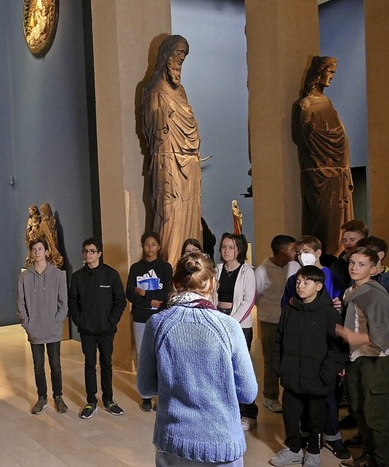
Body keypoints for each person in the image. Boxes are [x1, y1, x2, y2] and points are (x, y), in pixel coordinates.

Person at [137, 252, 257, 466]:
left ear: (174, 283)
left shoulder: (157, 324)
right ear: (212, 283)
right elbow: (248, 393)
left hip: (173, 441)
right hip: (221, 443)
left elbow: (146, 387)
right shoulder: (229, 327)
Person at [270, 266, 347, 467]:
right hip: (291, 375)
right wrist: (278, 367)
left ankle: (314, 452)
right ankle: (294, 449)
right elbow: (279, 340)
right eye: (298, 281)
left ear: (319, 286)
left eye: (306, 282)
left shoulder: (330, 314)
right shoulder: (289, 310)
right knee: (290, 415)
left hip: (317, 379)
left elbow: (338, 349)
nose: (300, 286)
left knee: (315, 419)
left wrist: (325, 375)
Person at [142, 35, 202, 264]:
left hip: (189, 162)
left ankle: (192, 266)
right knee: (169, 215)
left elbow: (189, 122)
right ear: (166, 54)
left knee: (190, 218)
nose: (180, 59)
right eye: (177, 53)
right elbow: (154, 131)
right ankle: (170, 266)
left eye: (184, 55)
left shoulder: (181, 91)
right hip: (167, 162)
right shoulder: (155, 88)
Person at [336, 247, 389, 467]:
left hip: (375, 361)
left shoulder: (375, 293)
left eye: (361, 264)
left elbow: (386, 331)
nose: (354, 268)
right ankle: (367, 457)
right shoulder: (350, 291)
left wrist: (355, 337)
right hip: (355, 360)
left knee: (376, 416)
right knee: (359, 411)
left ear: (373, 268)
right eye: (352, 263)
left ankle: (382, 461)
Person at [294, 56, 354, 257]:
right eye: (329, 71)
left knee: (340, 227)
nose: (331, 77)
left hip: (338, 175)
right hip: (318, 177)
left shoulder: (328, 104)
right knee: (323, 223)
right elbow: (300, 139)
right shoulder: (304, 105)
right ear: (318, 73)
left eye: (334, 73)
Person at [69, 237, 126, 419]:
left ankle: (108, 399)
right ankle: (91, 401)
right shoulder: (78, 277)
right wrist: (79, 321)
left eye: (92, 251)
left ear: (99, 253)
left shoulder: (111, 274)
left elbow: (120, 301)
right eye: (85, 251)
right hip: (87, 331)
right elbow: (73, 302)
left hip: (106, 330)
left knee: (106, 364)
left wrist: (112, 321)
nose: (88, 254)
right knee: (89, 364)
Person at [17, 237, 69, 415]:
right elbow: (20, 304)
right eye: (34, 249)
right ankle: (42, 398)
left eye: (40, 248)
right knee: (38, 365)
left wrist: (57, 321)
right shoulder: (24, 277)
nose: (37, 252)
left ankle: (58, 397)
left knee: (55, 365)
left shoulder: (58, 275)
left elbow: (64, 303)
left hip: (53, 329)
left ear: (46, 251)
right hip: (35, 329)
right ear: (31, 253)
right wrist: (27, 324)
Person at [214, 233, 258, 430]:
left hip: (239, 325)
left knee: (240, 370)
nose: (226, 250)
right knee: (222, 369)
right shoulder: (218, 269)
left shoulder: (247, 271)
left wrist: (230, 322)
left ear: (239, 249)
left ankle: (248, 413)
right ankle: (228, 411)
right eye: (224, 247)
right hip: (218, 321)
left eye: (231, 247)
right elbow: (211, 295)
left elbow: (248, 301)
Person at [125, 232, 173, 412]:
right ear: (143, 246)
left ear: (159, 246)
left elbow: (167, 293)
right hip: (140, 317)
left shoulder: (165, 268)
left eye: (153, 244)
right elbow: (130, 293)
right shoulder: (136, 268)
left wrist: (145, 294)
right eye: (146, 244)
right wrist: (148, 302)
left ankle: (161, 395)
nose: (150, 248)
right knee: (142, 356)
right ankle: (145, 395)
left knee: (161, 356)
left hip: (160, 317)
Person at [254, 235, 299, 413]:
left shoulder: (295, 266)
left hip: (292, 319)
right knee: (271, 359)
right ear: (282, 252)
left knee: (292, 357)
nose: (296, 252)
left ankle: (292, 395)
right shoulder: (262, 271)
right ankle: (270, 396)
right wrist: (270, 310)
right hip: (270, 320)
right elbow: (255, 297)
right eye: (292, 249)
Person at [330, 220, 369, 289]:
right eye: (344, 240)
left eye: (352, 240)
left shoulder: (371, 262)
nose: (347, 243)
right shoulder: (337, 265)